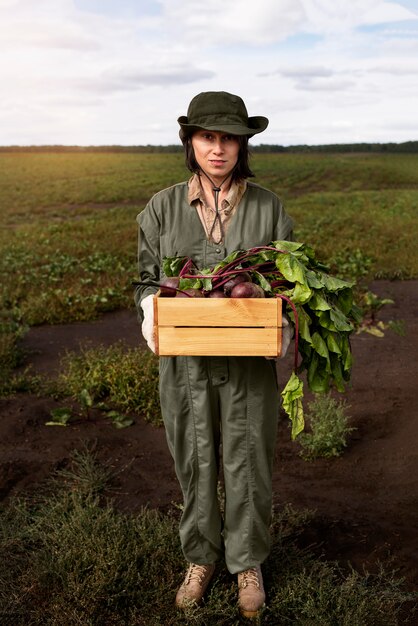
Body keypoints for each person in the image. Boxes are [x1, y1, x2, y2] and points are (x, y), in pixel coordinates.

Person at [134, 91, 294, 618]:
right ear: (191, 142)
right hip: (186, 364)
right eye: (208, 137)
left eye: (229, 138)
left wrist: (286, 318)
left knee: (249, 458)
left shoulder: (269, 207)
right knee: (195, 457)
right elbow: (145, 278)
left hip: (250, 363)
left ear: (243, 145)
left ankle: (247, 562)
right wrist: (148, 312)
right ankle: (200, 557)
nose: (218, 148)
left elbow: (289, 283)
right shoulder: (161, 207)